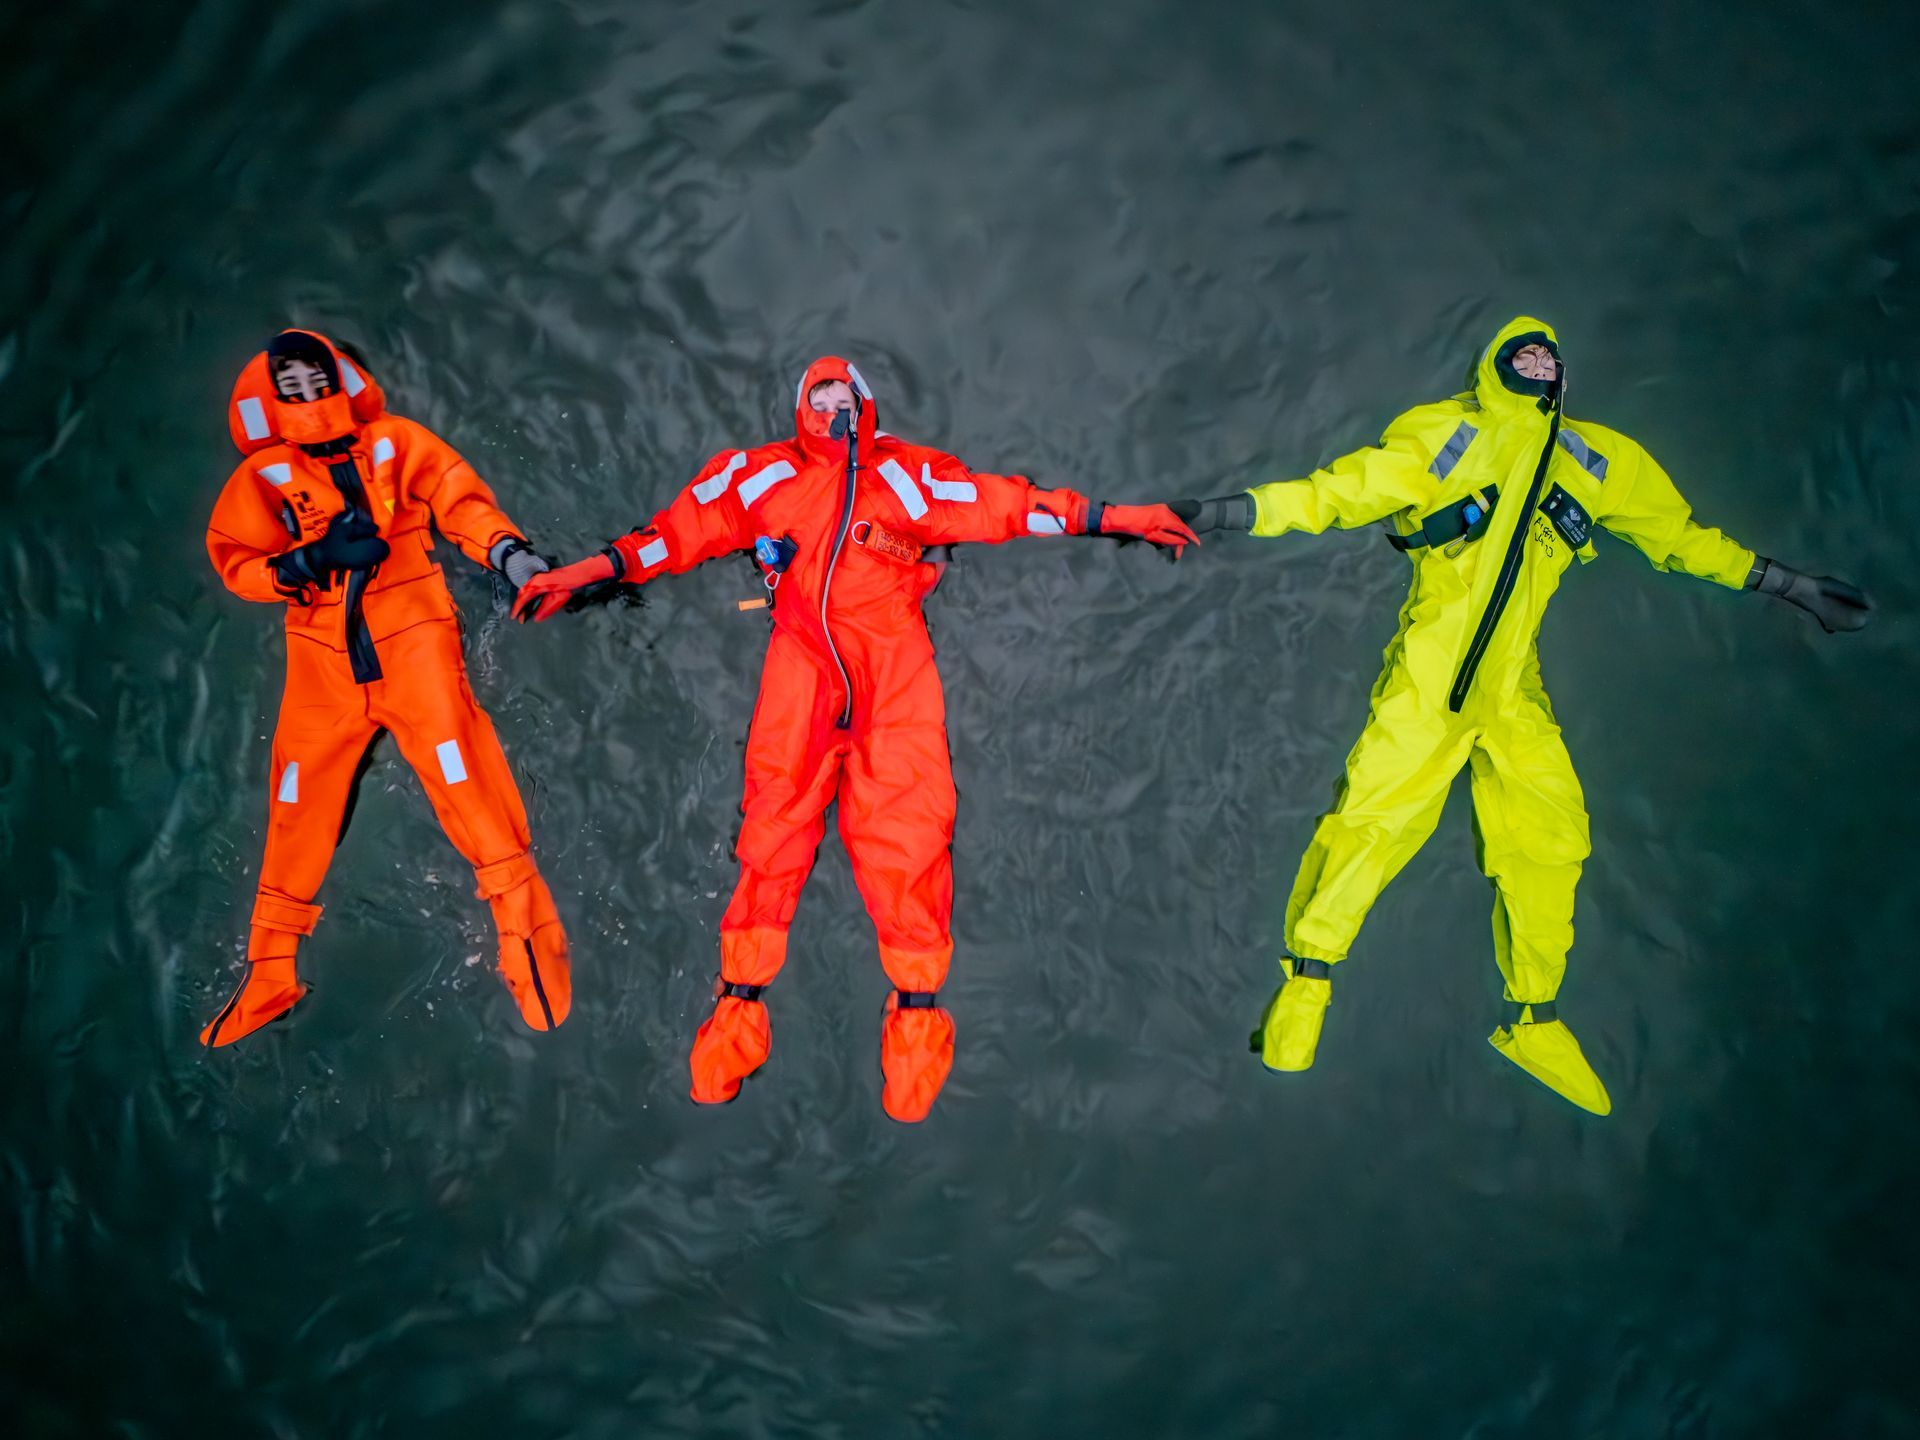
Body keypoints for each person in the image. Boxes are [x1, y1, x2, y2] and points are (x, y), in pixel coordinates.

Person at [1168, 315, 1872, 1113]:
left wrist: (1789, 586)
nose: (1537, 363)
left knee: (1552, 836)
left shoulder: (1600, 461)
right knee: (1370, 825)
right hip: (1432, 678)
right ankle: (1306, 986)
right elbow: (1335, 494)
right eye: (1522, 352)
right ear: (1494, 365)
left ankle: (1533, 1018)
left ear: (1563, 375)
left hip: (1512, 689)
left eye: (1548, 355)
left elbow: (1680, 539)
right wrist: (1220, 512)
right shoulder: (1448, 437)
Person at [514, 356, 1197, 1120]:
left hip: (893, 666)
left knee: (910, 834)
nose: (834, 407)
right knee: (774, 829)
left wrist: (1120, 517)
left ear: (866, 403)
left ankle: (916, 1018)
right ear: (802, 410)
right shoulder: (760, 478)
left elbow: (1008, 505)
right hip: (801, 668)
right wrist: (587, 572)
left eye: (845, 395)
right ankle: (739, 1006)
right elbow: (675, 534)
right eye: (821, 397)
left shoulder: (908, 477)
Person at [201, 328, 574, 1046]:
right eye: (292, 387)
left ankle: (528, 929)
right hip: (323, 659)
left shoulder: (395, 443)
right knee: (297, 800)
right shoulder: (263, 479)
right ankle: (270, 969)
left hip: (415, 638)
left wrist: (510, 553)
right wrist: (305, 562)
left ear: (342, 379)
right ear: (272, 400)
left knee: (466, 774)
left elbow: (456, 496)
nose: (309, 396)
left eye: (317, 380)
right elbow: (237, 561)